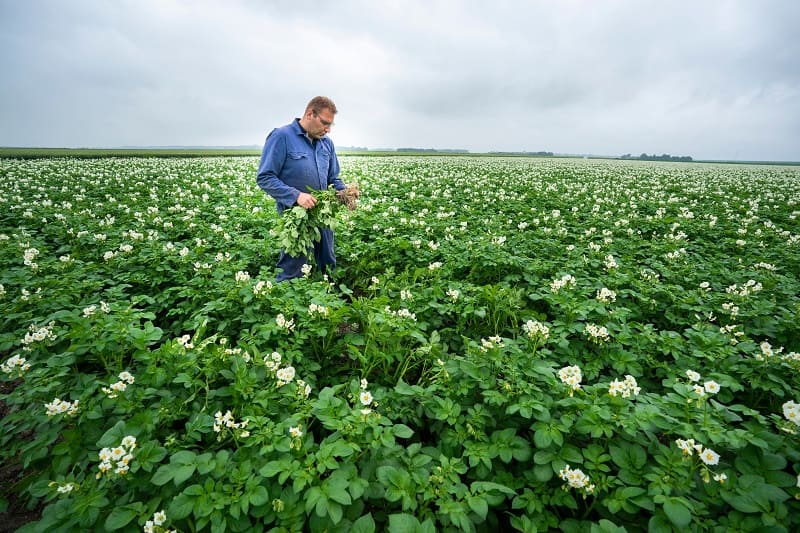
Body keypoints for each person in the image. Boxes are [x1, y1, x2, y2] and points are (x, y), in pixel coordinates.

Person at [256, 96, 354, 282]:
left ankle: (326, 301)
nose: (328, 129)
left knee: (327, 262)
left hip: (323, 215)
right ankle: (290, 305)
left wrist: (345, 192)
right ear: (310, 114)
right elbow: (265, 177)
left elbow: (333, 178)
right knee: (293, 267)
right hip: (295, 217)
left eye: (331, 125)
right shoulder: (282, 137)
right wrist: (296, 196)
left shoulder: (327, 143)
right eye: (325, 123)